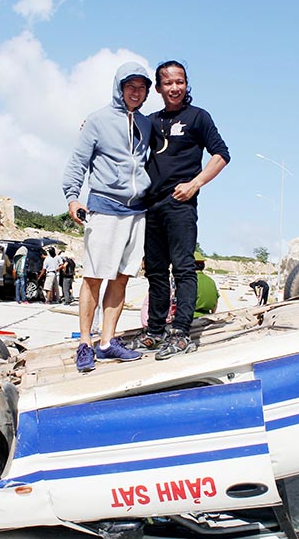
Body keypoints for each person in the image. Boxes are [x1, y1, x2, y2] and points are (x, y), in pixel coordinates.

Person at [131, 60, 230, 360]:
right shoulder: (150, 121)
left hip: (181, 204)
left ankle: (181, 333)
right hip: (152, 204)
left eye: (180, 82)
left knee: (184, 268)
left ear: (186, 84)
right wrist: (91, 125)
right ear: (158, 88)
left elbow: (221, 154)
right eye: (168, 83)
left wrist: (195, 184)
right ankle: (155, 331)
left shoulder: (198, 117)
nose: (175, 87)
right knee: (156, 270)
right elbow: (122, 134)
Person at [63, 61, 153, 372]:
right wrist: (72, 197)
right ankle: (85, 343)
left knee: (121, 277)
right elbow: (78, 162)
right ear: (119, 87)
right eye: (130, 86)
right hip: (104, 206)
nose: (135, 92)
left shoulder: (146, 124)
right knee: (93, 276)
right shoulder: (98, 121)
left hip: (137, 211)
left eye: (141, 87)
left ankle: (107, 342)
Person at [194, 252, 219, 318]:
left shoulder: (189, 281)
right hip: (207, 316)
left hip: (191, 317)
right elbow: (215, 303)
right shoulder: (211, 281)